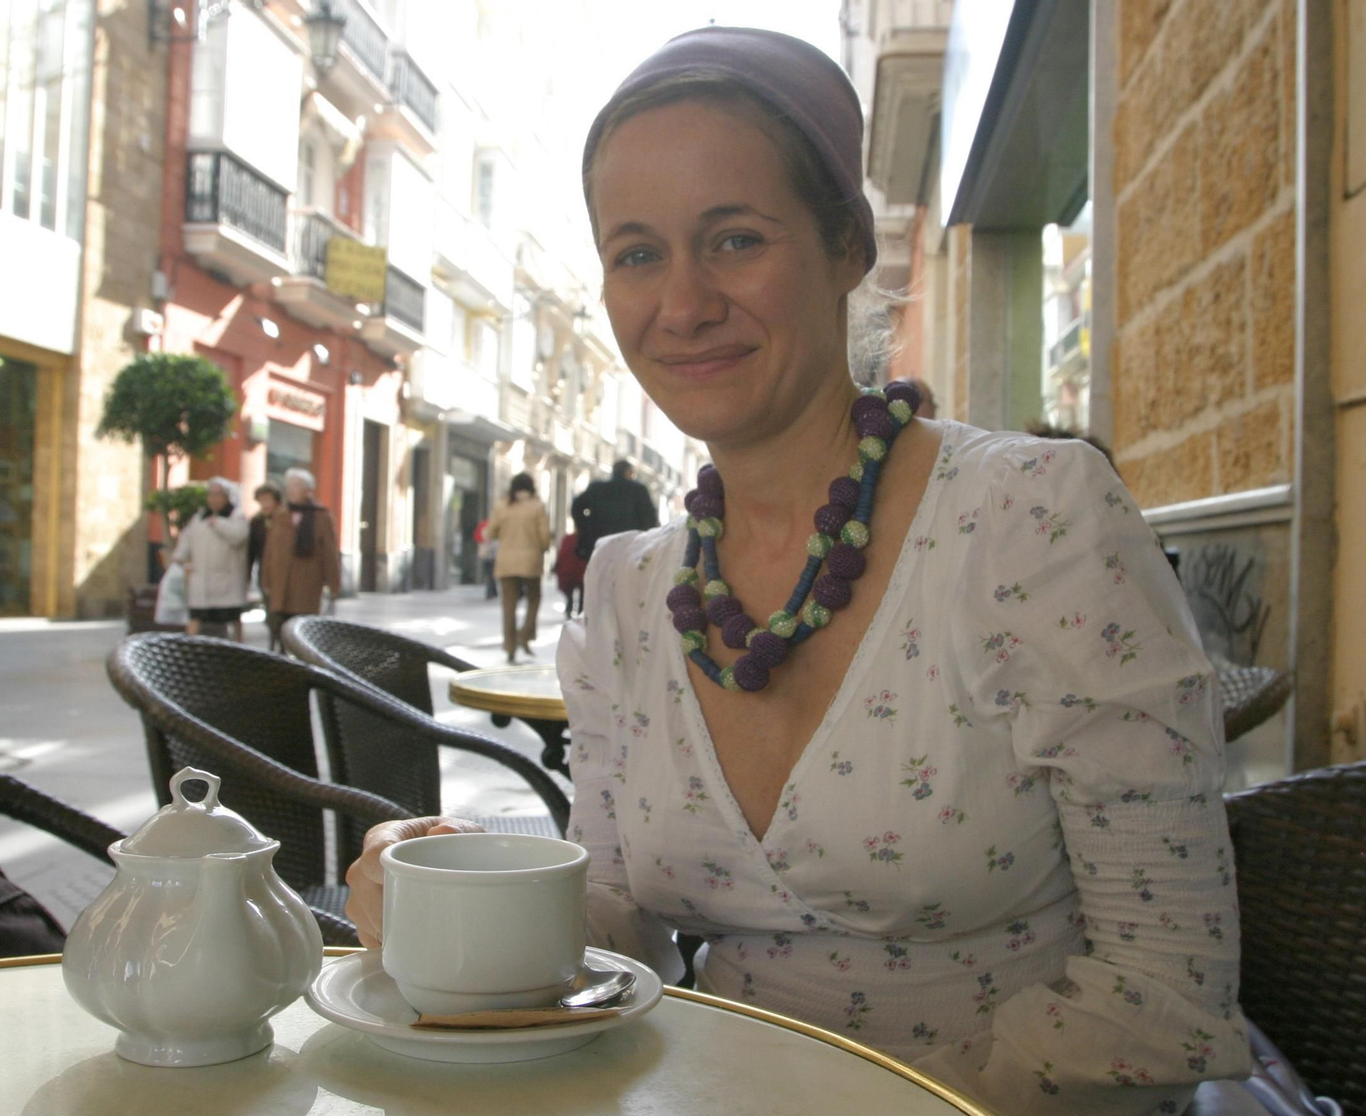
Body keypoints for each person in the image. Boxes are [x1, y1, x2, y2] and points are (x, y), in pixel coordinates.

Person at [346, 28, 1279, 1116]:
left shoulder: (1031, 518)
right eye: (637, 254)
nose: (682, 305)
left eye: (735, 239)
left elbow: (1159, 993)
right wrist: (460, 893)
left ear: (848, 247)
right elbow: (618, 928)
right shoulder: (629, 591)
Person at [261, 467, 341, 641]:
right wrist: (265, 578)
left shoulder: (321, 516)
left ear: (308, 490)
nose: (291, 490)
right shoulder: (280, 515)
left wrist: (333, 583)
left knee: (303, 628)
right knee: (279, 626)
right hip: (281, 581)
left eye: (296, 486)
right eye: (289, 486)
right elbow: (269, 549)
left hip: (306, 582)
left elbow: (329, 552)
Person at [172, 477, 249, 641]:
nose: (213, 498)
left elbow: (238, 536)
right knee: (196, 617)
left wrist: (218, 523)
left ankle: (240, 647)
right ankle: (188, 647)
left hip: (227, 581)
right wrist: (178, 557)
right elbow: (187, 538)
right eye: (211, 494)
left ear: (227, 496)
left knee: (233, 618)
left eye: (217, 494)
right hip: (201, 580)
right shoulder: (199, 517)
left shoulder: (236, 516)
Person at [487, 473, 552, 664]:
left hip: (506, 561)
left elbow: (491, 532)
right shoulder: (537, 506)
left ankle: (510, 645)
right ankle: (524, 635)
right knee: (534, 598)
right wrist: (544, 547)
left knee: (509, 604)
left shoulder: (502, 505)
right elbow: (544, 536)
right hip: (531, 560)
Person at [572, 459, 658, 560]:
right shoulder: (639, 490)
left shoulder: (597, 488)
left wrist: (585, 529)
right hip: (630, 548)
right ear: (628, 472)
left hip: (600, 546)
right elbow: (649, 519)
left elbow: (576, 507)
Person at [248, 483, 282, 648]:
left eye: (268, 499)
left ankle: (282, 644)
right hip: (264, 573)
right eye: (261, 500)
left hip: (282, 573)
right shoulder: (257, 522)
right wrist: (247, 575)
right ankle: (273, 641)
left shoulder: (284, 519)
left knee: (282, 611)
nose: (265, 504)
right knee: (270, 610)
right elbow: (251, 551)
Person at [554, 517, 588, 619]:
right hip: (582, 571)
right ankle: (580, 611)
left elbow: (561, 555)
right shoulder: (587, 540)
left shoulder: (567, 539)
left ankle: (569, 608)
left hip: (569, 571)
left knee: (570, 593)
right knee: (583, 592)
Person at [475, 518, 499, 600]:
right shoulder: (492, 525)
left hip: (487, 555)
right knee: (491, 574)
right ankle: (491, 592)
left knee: (489, 574)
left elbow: (477, 537)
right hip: (493, 555)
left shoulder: (483, 525)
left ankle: (492, 591)